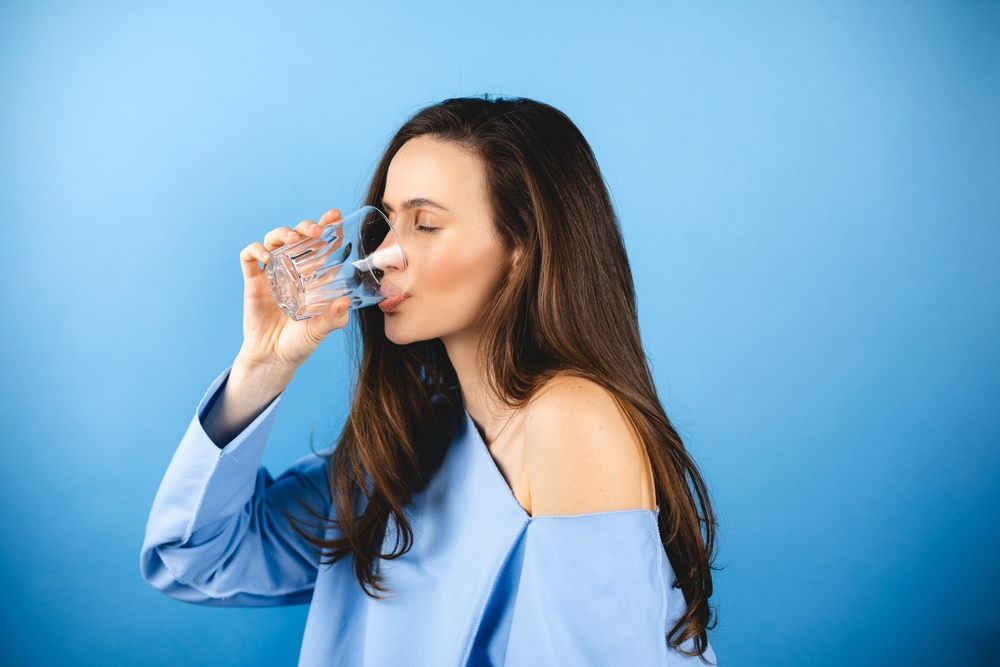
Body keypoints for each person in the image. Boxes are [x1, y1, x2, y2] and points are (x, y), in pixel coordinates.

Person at [139, 94, 720, 666]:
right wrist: (262, 367)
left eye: (425, 224)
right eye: (389, 222)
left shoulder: (571, 421)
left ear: (520, 247)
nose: (384, 254)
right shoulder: (404, 450)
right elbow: (196, 558)